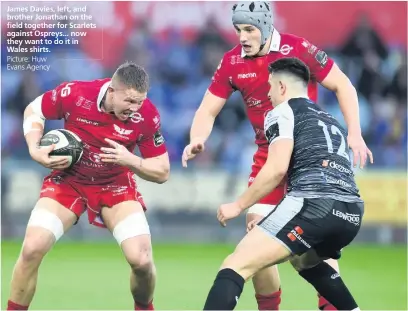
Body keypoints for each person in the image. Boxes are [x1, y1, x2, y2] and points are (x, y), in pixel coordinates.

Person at [182, 2, 372, 310]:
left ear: (266, 26)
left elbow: (343, 85)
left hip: (307, 155)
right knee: (257, 233)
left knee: (314, 250)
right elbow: (208, 108)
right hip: (268, 153)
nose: (242, 37)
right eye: (237, 29)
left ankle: (331, 306)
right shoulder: (232, 62)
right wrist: (198, 139)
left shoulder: (299, 48)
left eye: (248, 29)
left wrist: (355, 132)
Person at [7, 62, 170, 311]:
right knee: (31, 248)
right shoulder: (76, 94)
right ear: (112, 91)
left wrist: (130, 160)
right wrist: (34, 148)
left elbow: (162, 171)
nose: (134, 108)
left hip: (115, 185)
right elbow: (34, 109)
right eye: (129, 101)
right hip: (69, 181)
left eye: (139, 101)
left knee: (141, 261)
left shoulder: (146, 114)